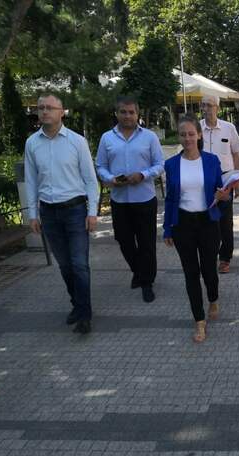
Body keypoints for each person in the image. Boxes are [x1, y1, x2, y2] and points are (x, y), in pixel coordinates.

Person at [24, 93, 99, 334]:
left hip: (75, 210)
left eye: (50, 107)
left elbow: (90, 180)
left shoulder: (77, 142)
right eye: (41, 107)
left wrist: (92, 212)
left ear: (61, 112)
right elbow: (31, 181)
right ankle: (77, 304)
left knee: (79, 264)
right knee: (65, 265)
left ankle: (84, 315)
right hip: (48, 212)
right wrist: (33, 214)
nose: (44, 111)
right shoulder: (32, 143)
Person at [163, 115, 230, 343]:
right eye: (183, 134)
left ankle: (213, 298)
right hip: (183, 223)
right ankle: (199, 320)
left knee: (209, 269)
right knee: (190, 273)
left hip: (208, 222)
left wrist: (224, 195)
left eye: (191, 134)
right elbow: (170, 199)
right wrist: (167, 229)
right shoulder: (172, 164)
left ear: (199, 135)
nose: (187, 138)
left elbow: (222, 191)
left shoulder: (211, 161)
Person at [96, 96, 164, 303]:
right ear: (116, 113)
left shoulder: (149, 137)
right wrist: (111, 179)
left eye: (131, 112)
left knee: (146, 243)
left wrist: (143, 175)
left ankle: (147, 282)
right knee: (123, 240)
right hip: (120, 200)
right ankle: (139, 271)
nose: (127, 116)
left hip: (144, 199)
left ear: (137, 114)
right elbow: (100, 166)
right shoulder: (107, 138)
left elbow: (160, 164)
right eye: (123, 112)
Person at [200, 95, 239, 274]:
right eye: (203, 105)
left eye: (209, 105)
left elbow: (236, 155)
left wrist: (237, 182)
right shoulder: (197, 128)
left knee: (225, 222)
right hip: (203, 181)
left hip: (225, 180)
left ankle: (225, 257)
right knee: (206, 220)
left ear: (217, 108)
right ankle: (209, 253)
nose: (206, 109)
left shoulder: (228, 128)